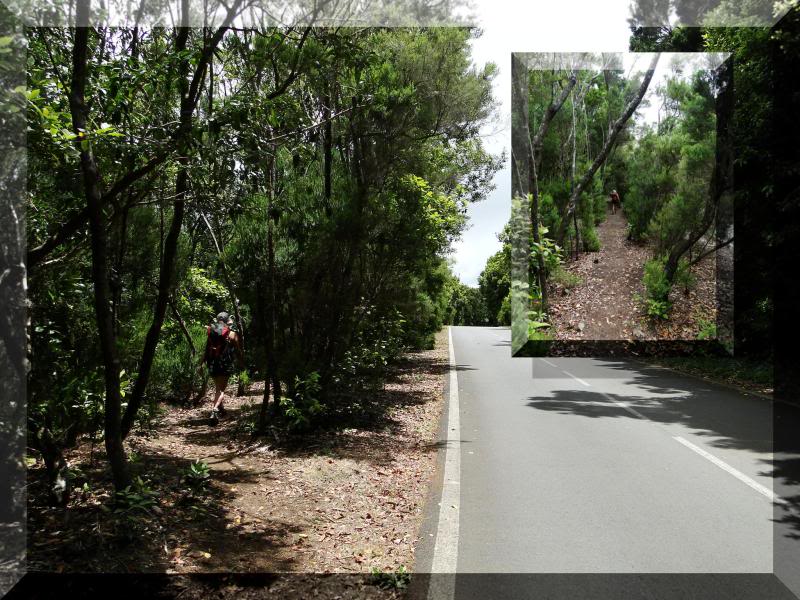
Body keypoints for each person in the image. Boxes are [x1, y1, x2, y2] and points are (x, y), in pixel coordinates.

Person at [197, 311, 244, 423]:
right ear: (228, 321)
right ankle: (214, 410)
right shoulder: (232, 334)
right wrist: (241, 360)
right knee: (221, 390)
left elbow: (206, 350)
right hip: (225, 364)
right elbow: (238, 350)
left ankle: (221, 410)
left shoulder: (211, 333)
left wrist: (200, 364)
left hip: (212, 363)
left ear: (217, 320)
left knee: (218, 387)